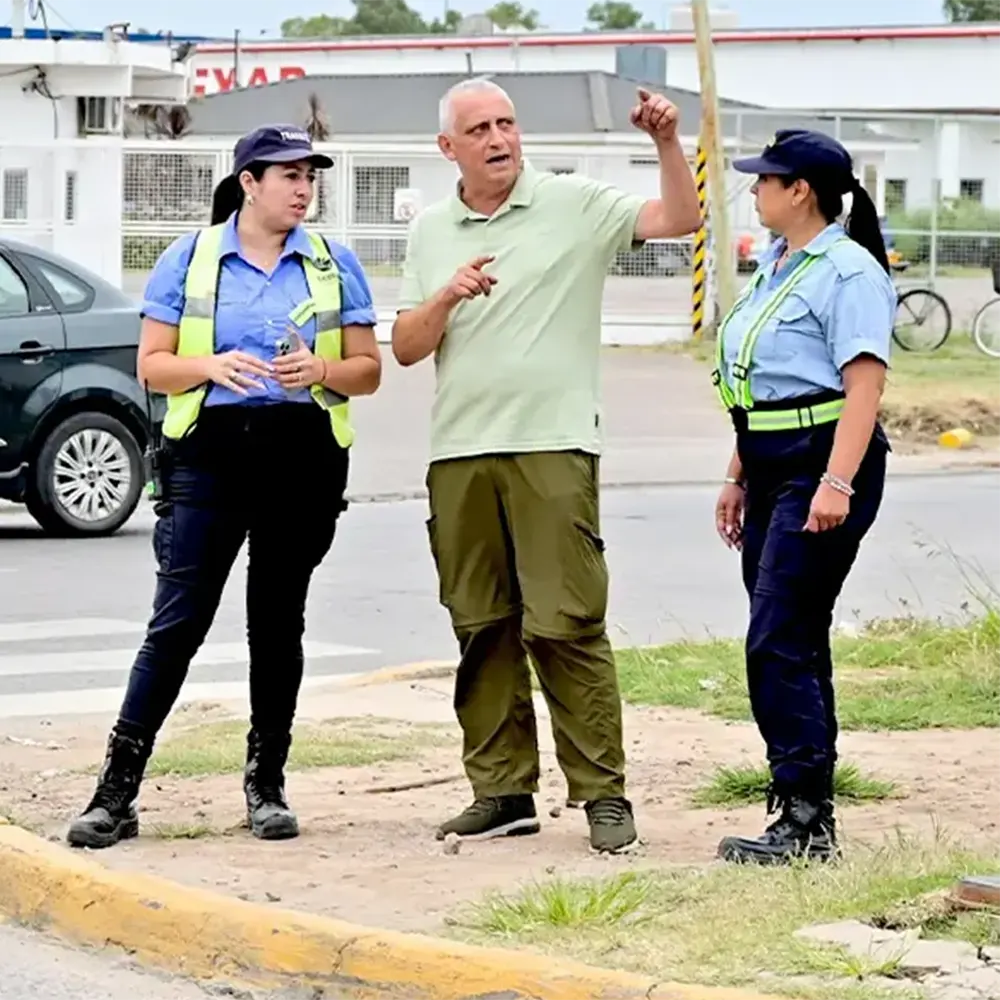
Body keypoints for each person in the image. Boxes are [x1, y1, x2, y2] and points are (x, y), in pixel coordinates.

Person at [391, 77, 701, 855]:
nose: (499, 138)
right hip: (459, 452)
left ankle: (601, 793)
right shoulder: (432, 230)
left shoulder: (573, 203)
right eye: (480, 128)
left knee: (565, 621)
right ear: (448, 148)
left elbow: (680, 219)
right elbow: (404, 345)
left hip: (553, 445)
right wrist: (448, 298)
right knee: (481, 624)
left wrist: (666, 142)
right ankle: (501, 791)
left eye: (507, 123)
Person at [66, 124, 382, 850]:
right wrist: (210, 366)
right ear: (249, 183)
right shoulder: (192, 256)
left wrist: (322, 373)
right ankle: (116, 793)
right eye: (288, 175)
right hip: (209, 455)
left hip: (302, 457)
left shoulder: (334, 264)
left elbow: (368, 368)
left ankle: (265, 786)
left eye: (310, 176)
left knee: (278, 623)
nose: (304, 189)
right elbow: (152, 365)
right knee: (176, 623)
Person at [710, 129, 896, 865]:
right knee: (793, 632)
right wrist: (735, 475)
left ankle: (805, 818)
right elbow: (758, 388)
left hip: (823, 461)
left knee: (777, 635)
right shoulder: (779, 266)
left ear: (801, 193)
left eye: (765, 180)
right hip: (769, 461)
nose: (754, 190)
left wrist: (837, 483)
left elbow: (864, 388)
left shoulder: (846, 272)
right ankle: (804, 808)